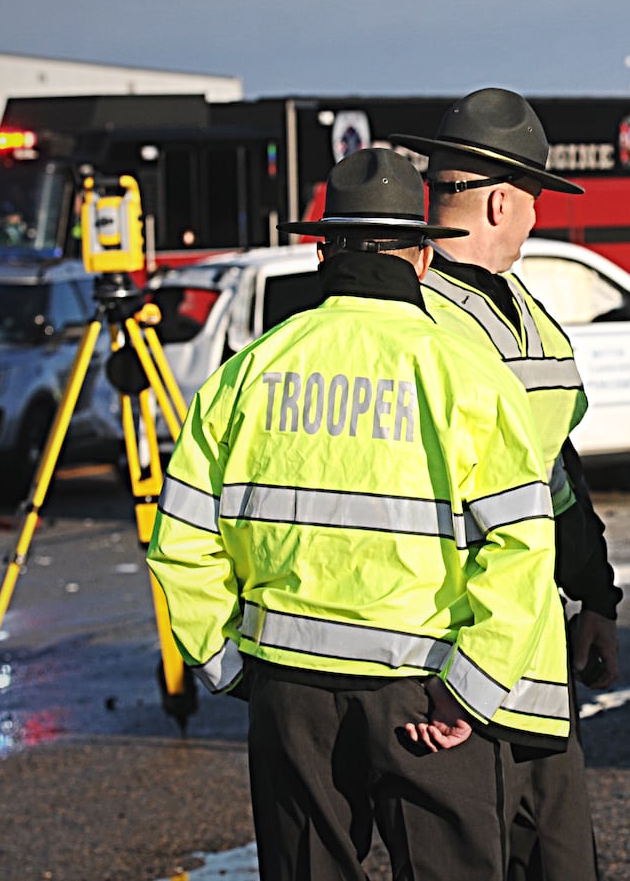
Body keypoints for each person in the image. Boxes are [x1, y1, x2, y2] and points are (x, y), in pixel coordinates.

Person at [147, 148, 571, 881]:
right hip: (426, 690)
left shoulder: (250, 370)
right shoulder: (465, 375)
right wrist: (474, 692)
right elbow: (520, 548)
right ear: (424, 260)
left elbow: (181, 539)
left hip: (288, 688)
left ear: (320, 250)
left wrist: (229, 667)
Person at [392, 87, 622, 881]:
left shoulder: (523, 307)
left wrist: (595, 597)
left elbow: (559, 472)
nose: (534, 220)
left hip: (535, 648)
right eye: (531, 202)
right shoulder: (416, 314)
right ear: (499, 202)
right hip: (451, 658)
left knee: (558, 862)